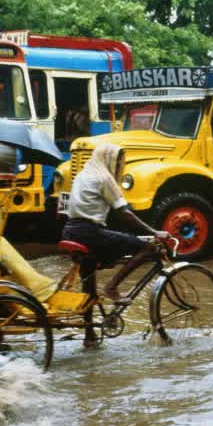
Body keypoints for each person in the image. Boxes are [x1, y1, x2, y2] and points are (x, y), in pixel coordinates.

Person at [61, 144, 170, 343]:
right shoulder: (104, 178)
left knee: (89, 285)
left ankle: (89, 335)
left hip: (70, 231)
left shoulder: (82, 175)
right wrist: (154, 232)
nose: (120, 165)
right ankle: (112, 287)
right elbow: (124, 212)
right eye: (119, 161)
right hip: (88, 233)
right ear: (109, 160)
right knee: (147, 246)